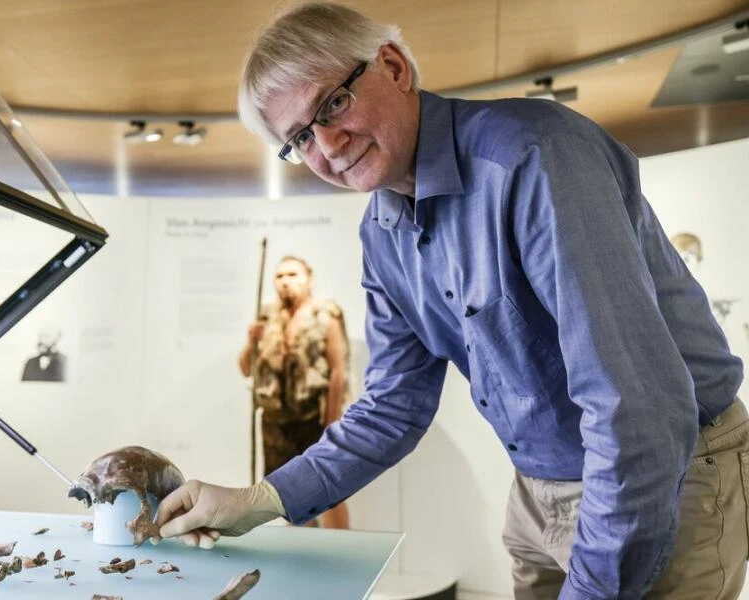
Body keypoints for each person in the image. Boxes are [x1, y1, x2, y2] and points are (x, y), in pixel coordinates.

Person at [154, 4, 746, 598]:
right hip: (538, 488)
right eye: (300, 138)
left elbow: (636, 409)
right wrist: (259, 500)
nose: (328, 145)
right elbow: (393, 404)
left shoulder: (533, 157)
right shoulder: (381, 232)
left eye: (332, 104)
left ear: (393, 66)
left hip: (669, 474)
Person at [237, 255, 350, 529]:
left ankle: (342, 552)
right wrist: (251, 341)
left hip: (313, 420)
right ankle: (304, 554)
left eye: (292, 274)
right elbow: (245, 369)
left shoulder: (325, 314)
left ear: (308, 279)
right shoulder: (267, 316)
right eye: (279, 276)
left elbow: (338, 371)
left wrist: (331, 422)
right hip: (275, 423)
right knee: (288, 494)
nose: (285, 282)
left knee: (329, 489)